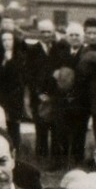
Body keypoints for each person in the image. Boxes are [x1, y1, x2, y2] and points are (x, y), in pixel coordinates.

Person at [52, 22, 90, 166]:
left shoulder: (87, 53)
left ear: (83, 37)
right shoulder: (61, 53)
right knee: (61, 130)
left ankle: (77, 161)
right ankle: (60, 161)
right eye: (71, 35)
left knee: (79, 131)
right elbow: (54, 71)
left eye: (77, 35)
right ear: (67, 37)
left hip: (81, 99)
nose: (74, 38)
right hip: (62, 98)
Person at [25, 19, 61, 160]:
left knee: (56, 127)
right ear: (39, 33)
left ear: (53, 32)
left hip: (55, 95)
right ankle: (41, 157)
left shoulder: (58, 49)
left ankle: (55, 158)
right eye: (43, 32)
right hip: (38, 95)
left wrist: (54, 94)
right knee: (41, 127)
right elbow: (28, 75)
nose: (46, 34)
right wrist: (38, 93)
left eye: (49, 32)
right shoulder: (32, 50)